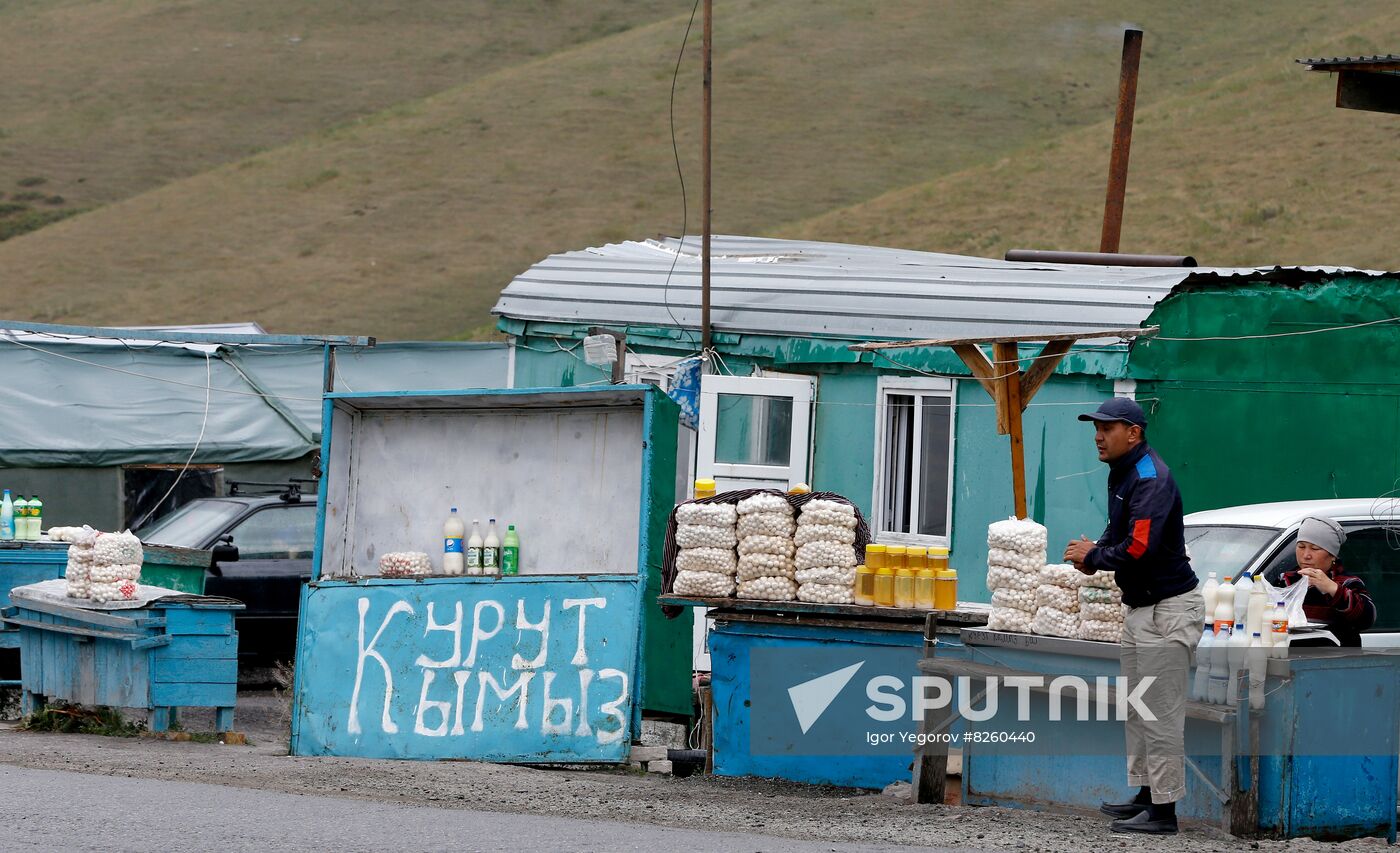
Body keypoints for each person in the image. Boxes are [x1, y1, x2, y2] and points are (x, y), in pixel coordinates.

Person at [1062, 397, 1202, 835]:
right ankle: (1146, 797)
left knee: (1160, 715)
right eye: (1096, 428)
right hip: (1142, 609)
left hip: (1168, 610)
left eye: (1108, 428)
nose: (1098, 436)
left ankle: (1165, 814)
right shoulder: (1123, 472)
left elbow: (1138, 548)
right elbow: (1118, 534)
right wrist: (1094, 556)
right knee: (1139, 710)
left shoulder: (1149, 478)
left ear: (1134, 433)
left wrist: (1096, 556)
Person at [1278, 516, 1376, 647]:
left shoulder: (1348, 583)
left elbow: (1367, 619)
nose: (1306, 555)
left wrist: (1332, 589)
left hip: (1336, 661)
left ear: (1332, 555)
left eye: (1315, 549)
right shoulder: (1286, 581)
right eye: (1301, 546)